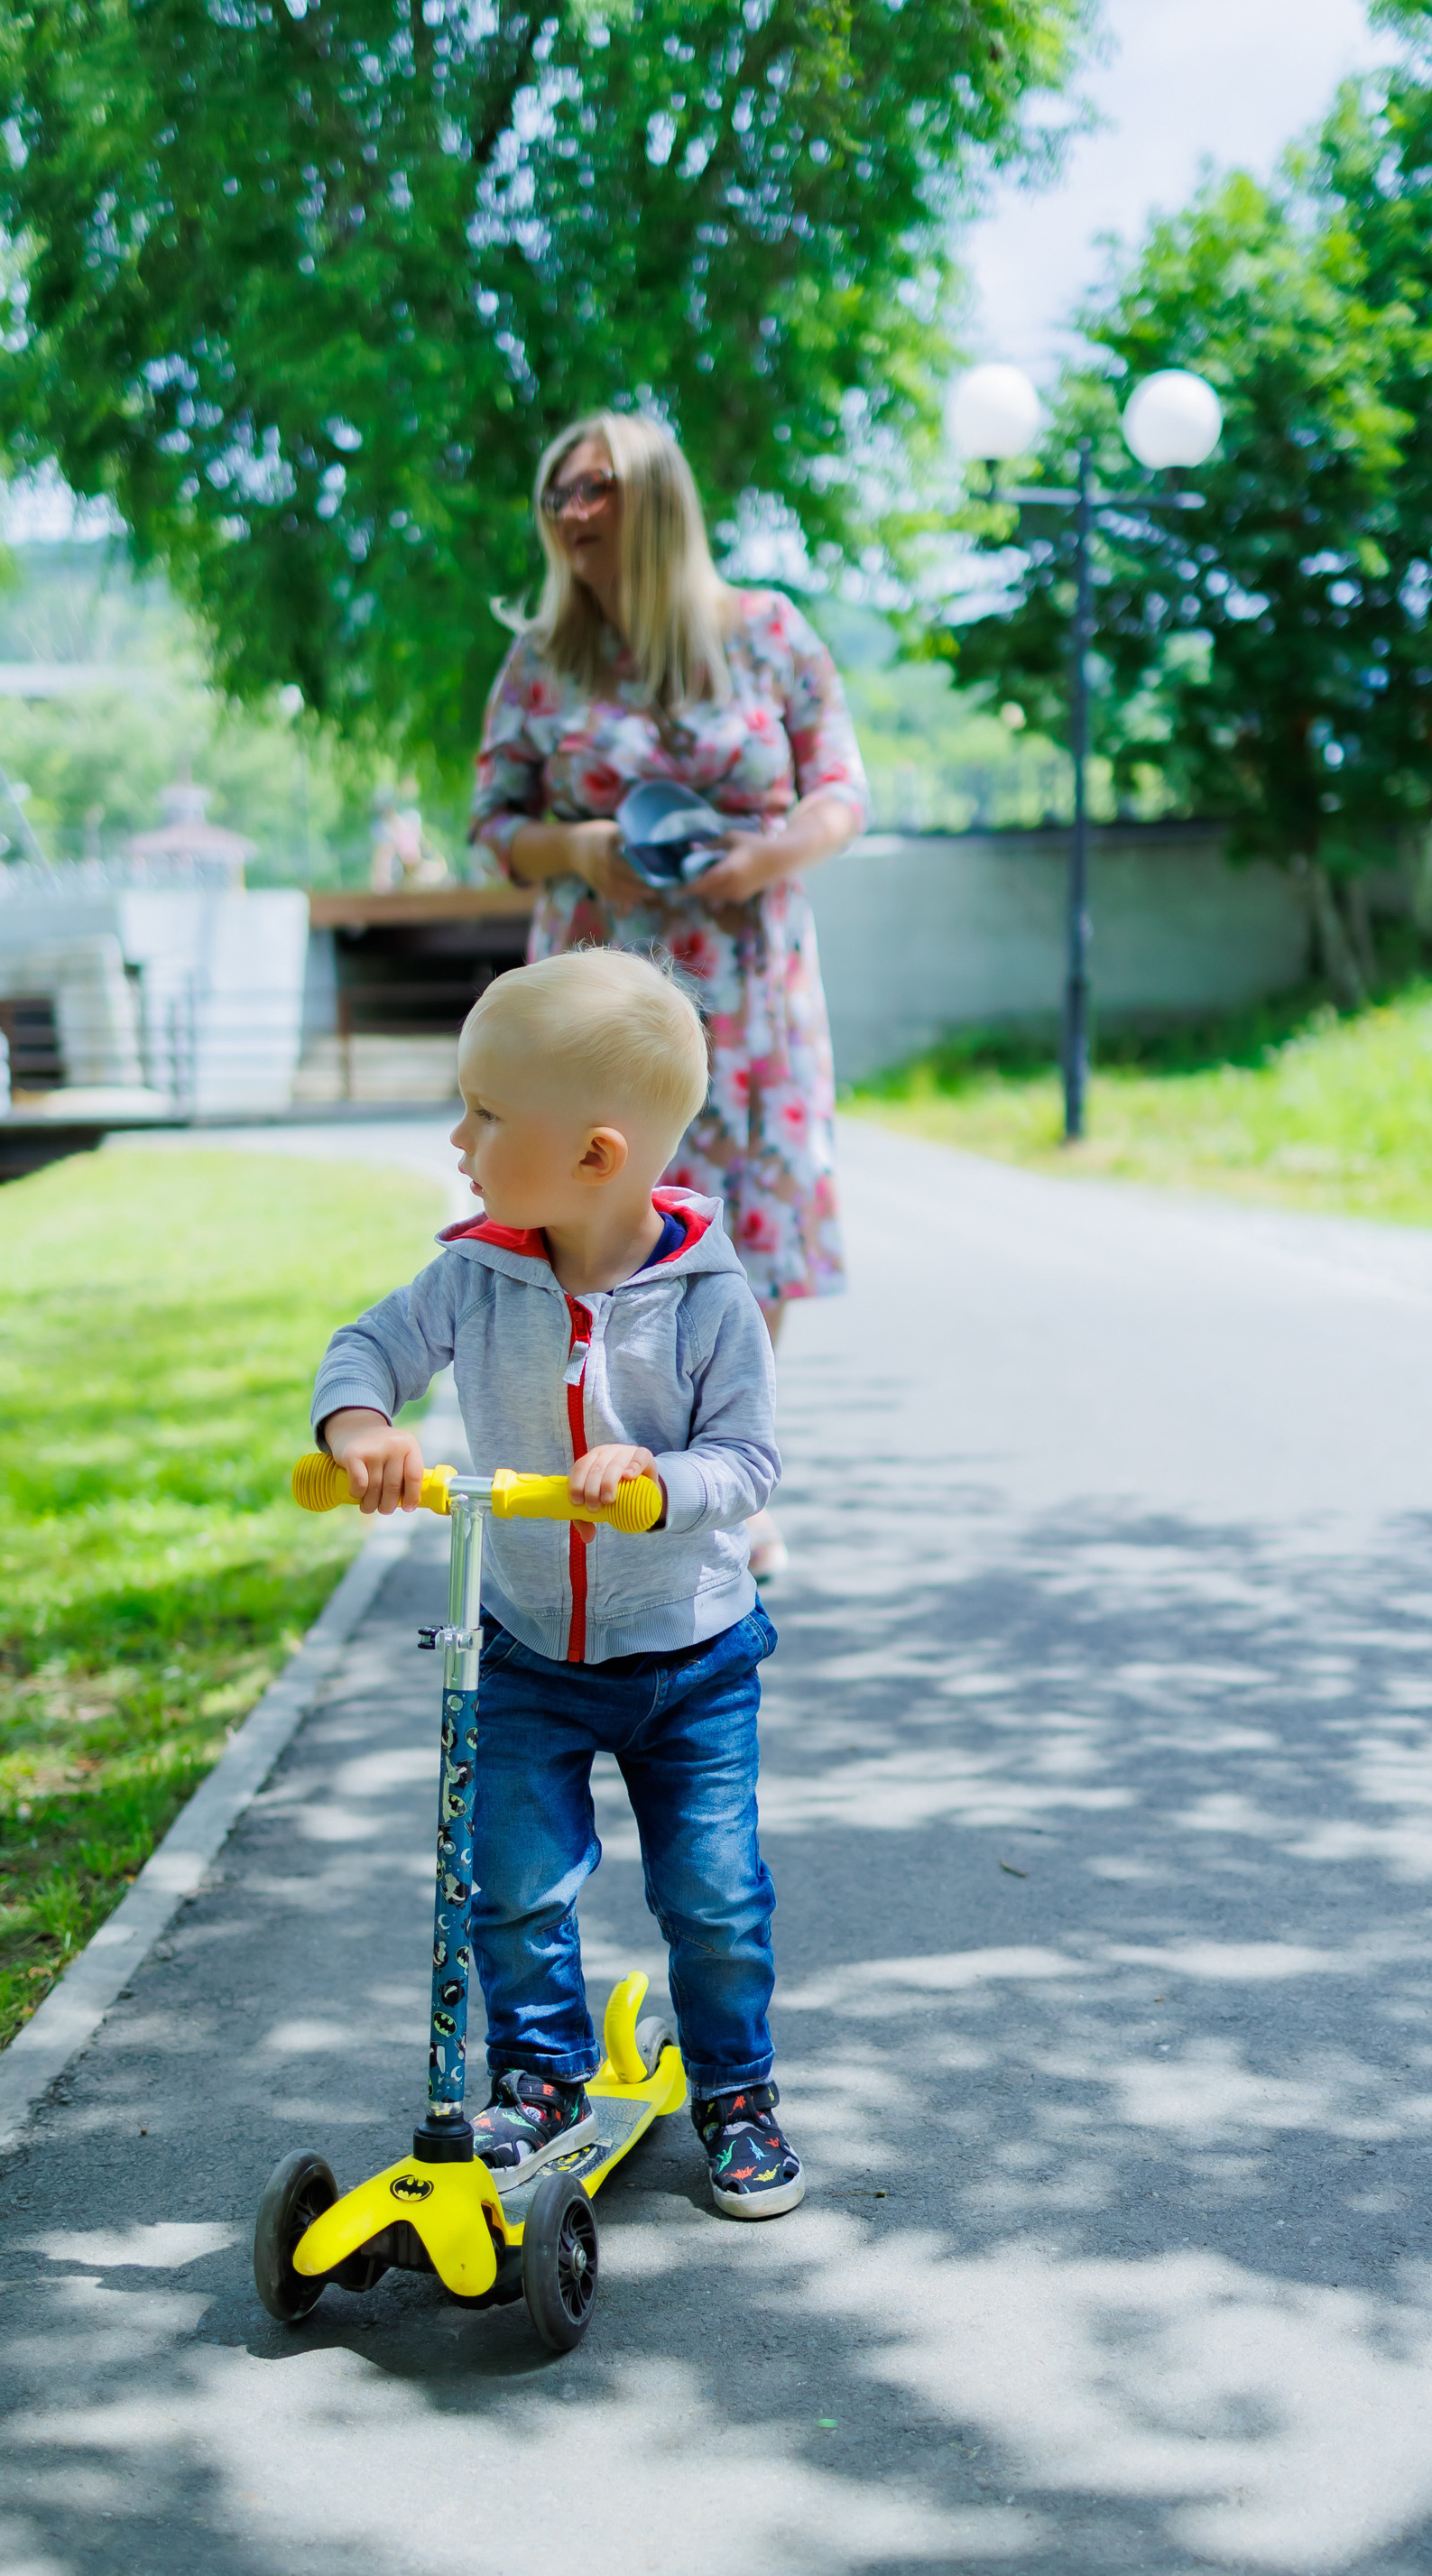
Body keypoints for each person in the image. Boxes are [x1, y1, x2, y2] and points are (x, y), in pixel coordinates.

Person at [310, 946, 804, 2220]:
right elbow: (370, 1343)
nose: (458, 1136)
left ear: (594, 1156)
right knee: (514, 1880)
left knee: (713, 1894)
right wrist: (360, 1425)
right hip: (524, 1643)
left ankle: (737, 2092)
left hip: (690, 1659)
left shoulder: (706, 1300)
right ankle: (538, 2075)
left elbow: (747, 1459)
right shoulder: (476, 1272)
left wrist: (662, 1482)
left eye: (484, 1111)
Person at [469, 407, 868, 1582]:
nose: (571, 513)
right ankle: (605, 1472)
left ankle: (727, 1489)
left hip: (748, 990)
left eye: (595, 489)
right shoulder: (543, 659)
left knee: (744, 1229)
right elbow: (493, 825)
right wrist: (581, 849)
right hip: (602, 993)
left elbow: (843, 790)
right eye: (557, 496)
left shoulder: (770, 633)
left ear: (661, 501)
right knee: (601, 1217)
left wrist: (771, 856)